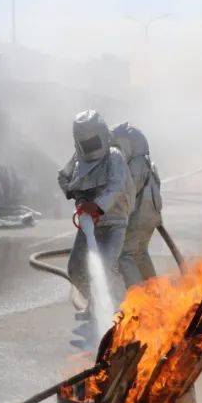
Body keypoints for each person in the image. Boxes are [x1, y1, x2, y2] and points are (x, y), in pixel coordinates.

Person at [58, 110, 135, 313]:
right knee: (76, 270)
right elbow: (63, 177)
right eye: (86, 143)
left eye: (93, 141)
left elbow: (116, 187)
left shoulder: (114, 157)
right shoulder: (78, 160)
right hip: (89, 225)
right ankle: (96, 304)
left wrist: (97, 205)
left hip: (114, 224)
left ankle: (122, 311)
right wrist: (75, 195)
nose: (90, 147)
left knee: (107, 268)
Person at [112, 122, 163, 288]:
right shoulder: (146, 162)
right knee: (140, 254)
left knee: (124, 255)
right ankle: (154, 294)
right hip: (151, 215)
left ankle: (138, 300)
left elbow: (127, 193)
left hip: (139, 216)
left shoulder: (136, 165)